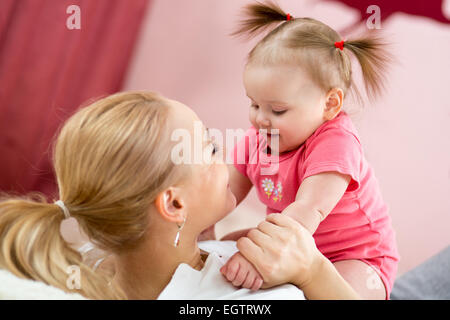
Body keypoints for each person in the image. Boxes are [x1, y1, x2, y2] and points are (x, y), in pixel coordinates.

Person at [0, 91, 359, 299]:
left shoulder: (87, 262)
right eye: (211, 148)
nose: (229, 155)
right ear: (173, 203)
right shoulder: (250, 295)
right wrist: (313, 272)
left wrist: (206, 238)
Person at [220, 1, 399, 299]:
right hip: (298, 238)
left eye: (277, 110)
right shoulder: (258, 137)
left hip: (355, 256)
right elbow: (225, 190)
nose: (260, 119)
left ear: (329, 104)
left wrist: (259, 260)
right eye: (254, 104)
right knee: (229, 243)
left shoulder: (336, 143)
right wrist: (201, 223)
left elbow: (307, 209)